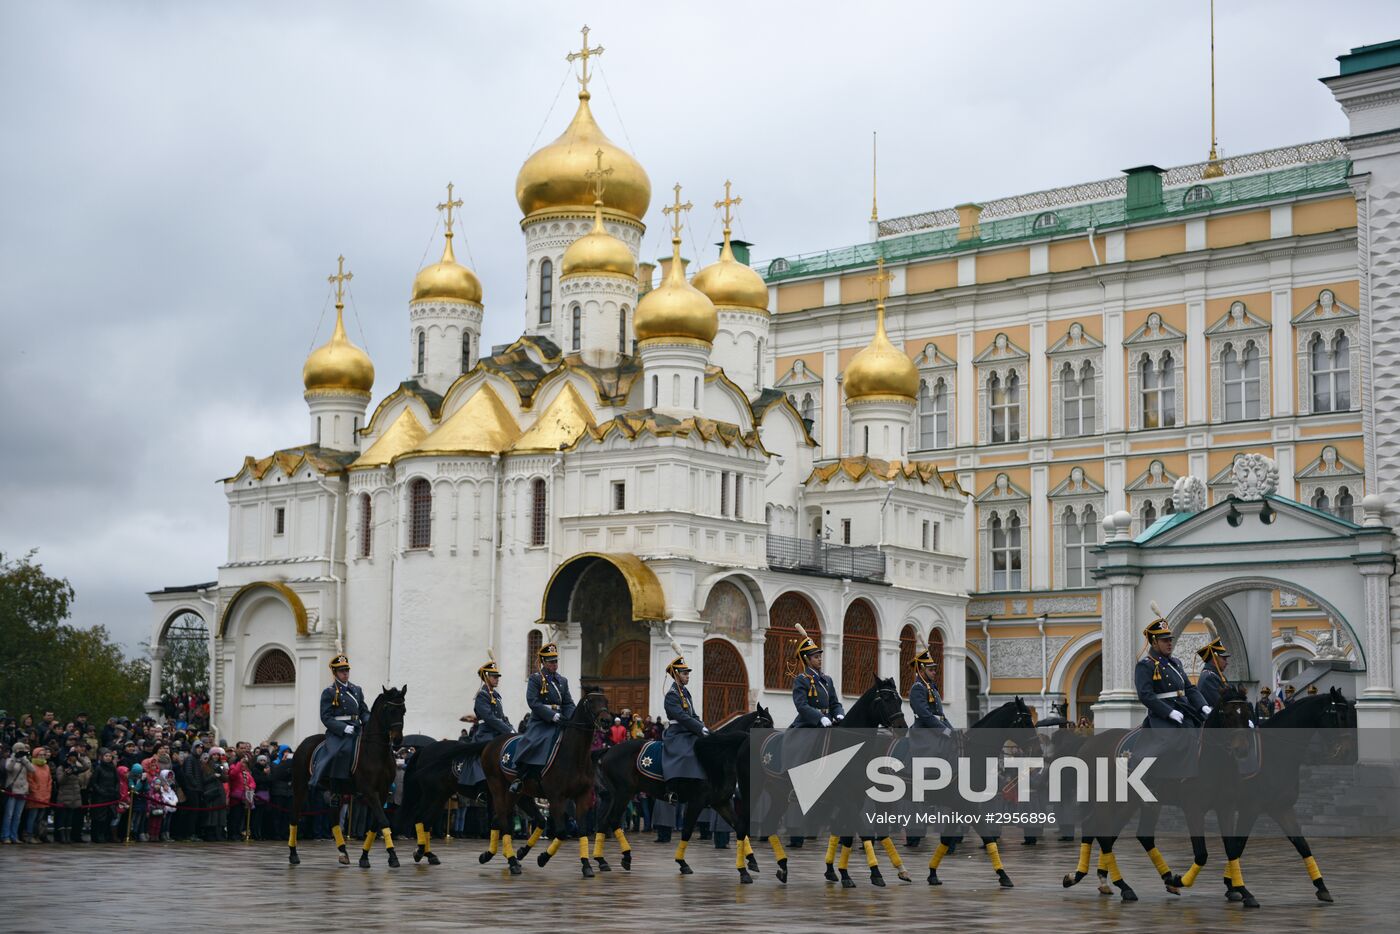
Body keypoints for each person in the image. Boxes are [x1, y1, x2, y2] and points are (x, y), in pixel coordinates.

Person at [511, 642, 575, 793]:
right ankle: (521, 775)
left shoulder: (562, 681)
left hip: (561, 720)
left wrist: (571, 719)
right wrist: (552, 716)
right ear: (543, 662)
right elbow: (533, 702)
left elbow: (568, 703)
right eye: (551, 661)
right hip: (541, 721)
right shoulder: (536, 679)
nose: (554, 664)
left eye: (555, 661)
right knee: (535, 741)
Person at [1134, 616, 1209, 728]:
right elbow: (1145, 695)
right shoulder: (1146, 665)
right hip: (1161, 716)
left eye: (1170, 640)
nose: (1169, 643)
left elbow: (1189, 688)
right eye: (1165, 640)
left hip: (1184, 709)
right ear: (1154, 643)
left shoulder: (1176, 663)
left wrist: (1202, 705)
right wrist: (1168, 712)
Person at [310, 654, 369, 790]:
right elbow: (326, 717)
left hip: (357, 728)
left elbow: (363, 711)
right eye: (342, 671)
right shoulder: (329, 692)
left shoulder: (357, 690)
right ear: (335, 673)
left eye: (347, 670)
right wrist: (343, 728)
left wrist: (368, 721)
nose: (345, 673)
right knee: (337, 753)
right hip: (339, 732)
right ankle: (334, 784)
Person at [460, 658, 513, 786]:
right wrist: (506, 730)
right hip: (486, 732)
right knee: (484, 756)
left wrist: (512, 729)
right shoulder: (482, 695)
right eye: (494, 676)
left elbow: (502, 717)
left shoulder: (496, 696)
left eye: (497, 676)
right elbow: (489, 717)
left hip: (499, 731)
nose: (497, 678)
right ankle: (481, 785)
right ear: (486, 677)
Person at [661, 653, 708, 785]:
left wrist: (703, 725)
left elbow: (693, 715)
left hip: (689, 731)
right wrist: (700, 729)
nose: (687, 676)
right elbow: (682, 717)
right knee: (686, 754)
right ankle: (676, 785)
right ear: (676, 675)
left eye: (688, 674)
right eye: (684, 674)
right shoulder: (672, 695)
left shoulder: (685, 693)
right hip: (677, 733)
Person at [790, 636, 844, 727]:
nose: (820, 659)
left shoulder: (827, 679)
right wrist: (820, 717)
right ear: (807, 659)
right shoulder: (801, 679)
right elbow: (801, 705)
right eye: (816, 657)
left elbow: (834, 703)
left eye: (820, 656)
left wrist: (840, 714)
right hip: (808, 723)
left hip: (828, 722)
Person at [909, 648, 953, 730]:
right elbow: (925, 715)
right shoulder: (917, 688)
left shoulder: (931, 687)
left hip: (938, 727)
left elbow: (941, 716)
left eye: (934, 670)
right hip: (924, 730)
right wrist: (944, 730)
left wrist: (951, 730)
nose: (934, 672)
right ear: (921, 672)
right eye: (931, 670)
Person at [2, 742, 37, 844]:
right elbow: (8, 768)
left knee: (17, 816)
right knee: (9, 815)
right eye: (19, 749)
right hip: (13, 790)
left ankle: (14, 835)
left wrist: (24, 759)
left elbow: (32, 770)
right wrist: (14, 757)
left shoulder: (24, 761)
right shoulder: (10, 759)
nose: (21, 751)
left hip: (22, 791)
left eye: (22, 749)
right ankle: (5, 836)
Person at [88, 749, 120, 843]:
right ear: (102, 757)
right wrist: (101, 791)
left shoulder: (113, 768)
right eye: (106, 756)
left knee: (109, 817)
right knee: (99, 818)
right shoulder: (98, 768)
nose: (108, 758)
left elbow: (117, 781)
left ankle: (106, 835)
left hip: (110, 795)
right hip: (100, 797)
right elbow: (94, 782)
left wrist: (116, 790)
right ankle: (97, 835)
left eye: (110, 756)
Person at [23, 746, 53, 843]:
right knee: (32, 817)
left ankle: (37, 835)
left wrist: (47, 793)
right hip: (35, 797)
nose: (42, 757)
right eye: (40, 755)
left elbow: (49, 781)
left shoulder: (47, 767)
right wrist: (36, 792)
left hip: (45, 796)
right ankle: (29, 834)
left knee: (40, 818)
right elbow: (30, 781)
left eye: (43, 755)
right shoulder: (32, 767)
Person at [1195, 636, 1231, 710]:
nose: (1227, 663)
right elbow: (1219, 703)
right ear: (1214, 660)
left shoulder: (1218, 676)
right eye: (1224, 659)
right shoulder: (1209, 677)